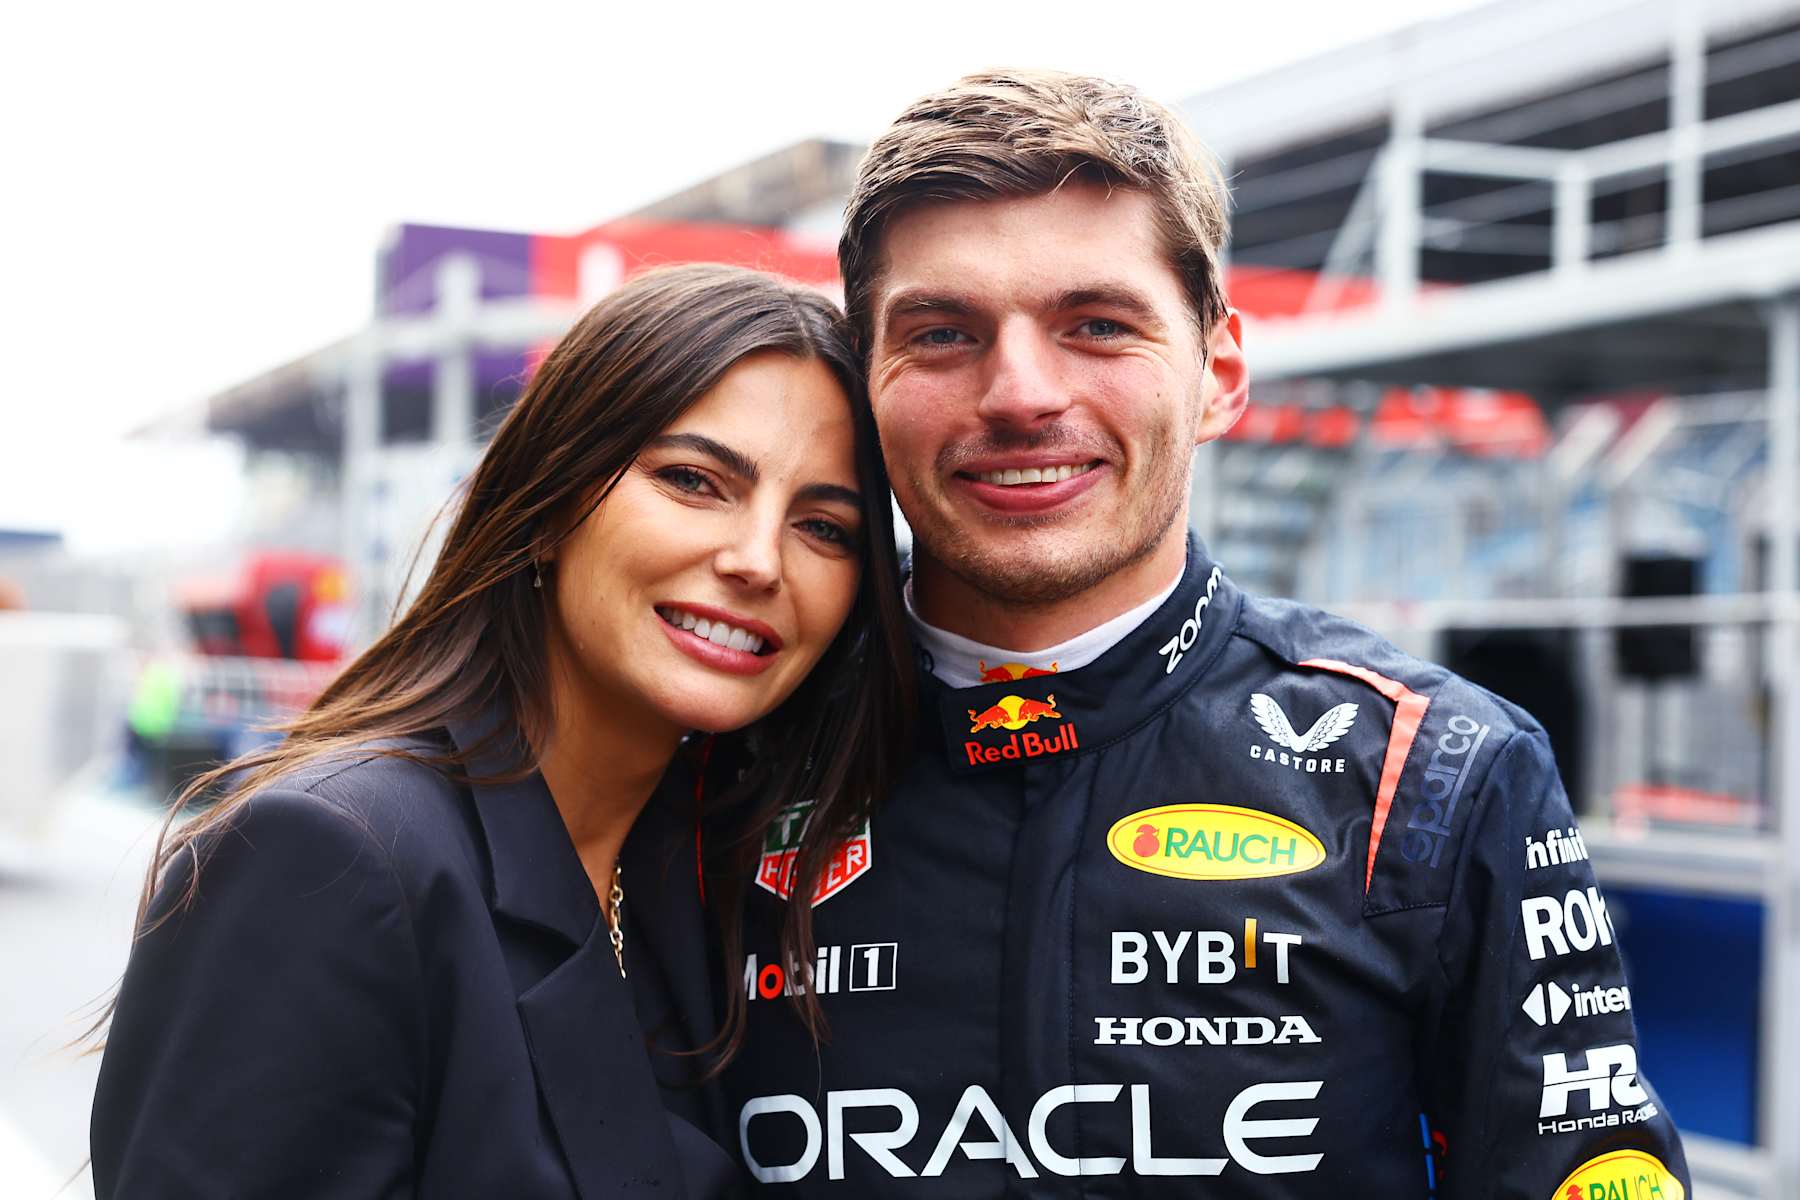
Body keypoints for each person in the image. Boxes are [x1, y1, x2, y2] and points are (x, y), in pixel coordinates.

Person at [722, 71, 1691, 1197]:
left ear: (1219, 373)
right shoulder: (717, 751)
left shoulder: (1435, 772)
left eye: (1097, 325)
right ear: (865, 384)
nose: (1021, 392)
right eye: (943, 333)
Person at [89, 263, 914, 1199]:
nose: (758, 560)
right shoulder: (332, 855)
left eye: (826, 529)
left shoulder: (700, 880)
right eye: (693, 481)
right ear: (552, 502)